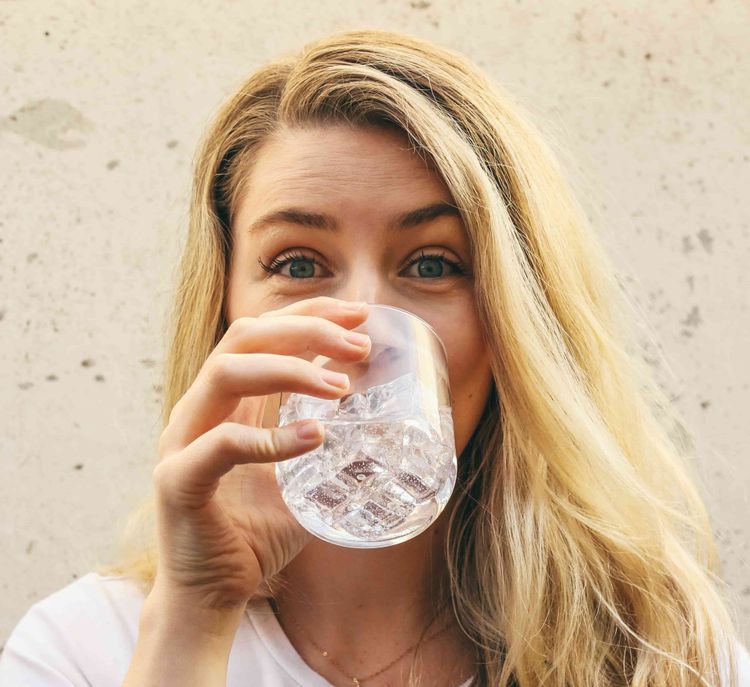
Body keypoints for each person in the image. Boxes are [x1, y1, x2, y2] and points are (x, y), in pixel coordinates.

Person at [1, 27, 748, 687]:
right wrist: (196, 617)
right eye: (297, 265)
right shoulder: (83, 651)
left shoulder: (659, 655)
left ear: (512, 323)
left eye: (430, 264)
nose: (360, 335)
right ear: (223, 308)